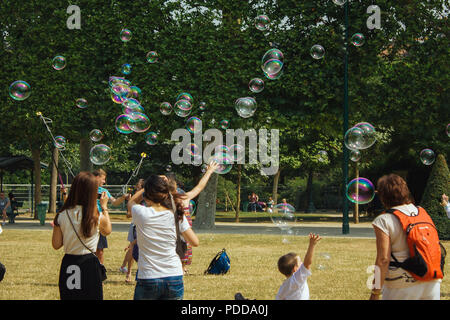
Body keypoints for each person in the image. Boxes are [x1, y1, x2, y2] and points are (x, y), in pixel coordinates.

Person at [127, 174, 200, 300]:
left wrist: (148, 185)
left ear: (147, 195)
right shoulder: (175, 215)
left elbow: (131, 201)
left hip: (148, 276)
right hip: (174, 276)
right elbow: (195, 242)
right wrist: (160, 185)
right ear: (166, 194)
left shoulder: (140, 212)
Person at [370, 174, 442, 300]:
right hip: (431, 280)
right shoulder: (422, 212)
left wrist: (375, 292)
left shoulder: (383, 220)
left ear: (383, 196)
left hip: (400, 284)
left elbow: (383, 260)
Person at [51, 171, 112, 300]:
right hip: (89, 263)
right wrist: (104, 207)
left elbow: (56, 245)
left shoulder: (62, 214)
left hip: (69, 263)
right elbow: (107, 231)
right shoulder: (95, 215)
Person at [166, 162, 219, 275]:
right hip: (183, 230)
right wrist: (209, 171)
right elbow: (199, 187)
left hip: (172, 233)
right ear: (176, 188)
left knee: (176, 247)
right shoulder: (183, 198)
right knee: (184, 246)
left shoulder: (163, 203)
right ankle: (181, 267)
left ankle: (181, 267)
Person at [92, 169, 130, 265]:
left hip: (101, 221)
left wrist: (123, 197)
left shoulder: (104, 191)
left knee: (100, 250)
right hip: (90, 220)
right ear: (97, 177)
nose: (104, 182)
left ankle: (100, 271)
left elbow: (115, 202)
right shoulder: (86, 189)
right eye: (103, 179)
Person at [275, 233, 321, 300]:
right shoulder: (297, 279)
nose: (302, 263)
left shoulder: (284, 286)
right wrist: (312, 245)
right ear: (295, 269)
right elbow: (307, 263)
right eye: (300, 263)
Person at [120, 178, 145, 283]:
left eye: (139, 185)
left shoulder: (147, 198)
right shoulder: (135, 198)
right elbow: (128, 215)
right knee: (132, 248)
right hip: (135, 226)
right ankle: (128, 272)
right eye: (137, 185)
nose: (136, 186)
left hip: (143, 227)